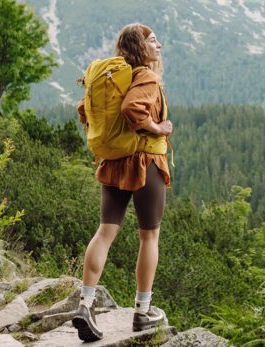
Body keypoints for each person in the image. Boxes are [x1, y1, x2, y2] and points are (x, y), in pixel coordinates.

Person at [71, 23, 172, 342]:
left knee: (105, 232)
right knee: (149, 237)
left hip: (114, 162)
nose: (159, 45)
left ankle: (85, 304)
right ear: (141, 47)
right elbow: (132, 109)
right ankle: (143, 312)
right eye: (153, 41)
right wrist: (158, 127)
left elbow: (84, 111)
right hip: (146, 162)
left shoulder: (112, 76)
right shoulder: (146, 76)